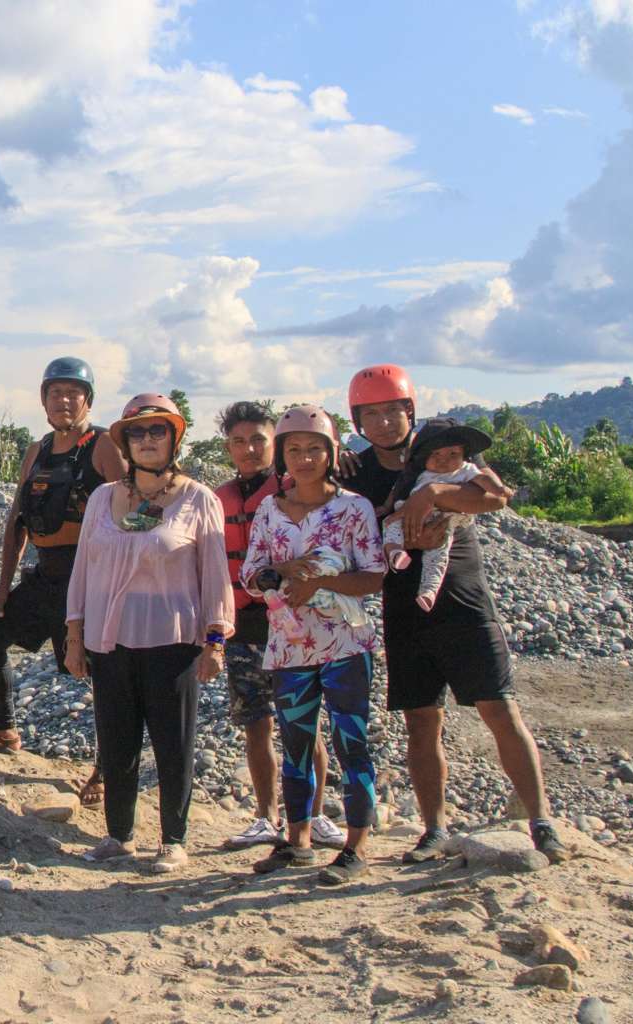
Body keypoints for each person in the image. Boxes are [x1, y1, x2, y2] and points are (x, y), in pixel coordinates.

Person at [342, 365, 569, 864]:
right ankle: (434, 829)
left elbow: (493, 498)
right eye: (371, 414)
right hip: (404, 609)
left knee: (500, 709)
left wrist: (434, 493)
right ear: (357, 420)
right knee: (422, 721)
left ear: (411, 410)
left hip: (465, 601)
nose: (384, 422)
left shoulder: (443, 444)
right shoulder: (356, 471)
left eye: (393, 410)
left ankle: (542, 822)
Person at [64, 393, 233, 873]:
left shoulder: (198, 499)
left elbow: (215, 575)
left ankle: (173, 839)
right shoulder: (103, 498)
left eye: (157, 430)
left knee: (173, 743)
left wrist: (215, 640)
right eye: (136, 433)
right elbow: (83, 570)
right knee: (116, 739)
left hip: (172, 640)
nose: (146, 440)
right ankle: (118, 835)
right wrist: (74, 635)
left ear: (174, 438)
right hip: (110, 639)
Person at [0, 357, 127, 806]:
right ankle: (4, 730)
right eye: (55, 393)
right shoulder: (38, 450)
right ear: (43, 399)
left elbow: (130, 511)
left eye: (73, 393)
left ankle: (108, 768)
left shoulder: (104, 445)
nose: (63, 400)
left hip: (90, 576)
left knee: (102, 672)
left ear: (88, 399)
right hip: (46, 573)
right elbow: (18, 520)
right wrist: (2, 588)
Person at [238, 406, 385, 884]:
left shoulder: (354, 509)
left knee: (350, 742)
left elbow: (374, 576)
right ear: (282, 455)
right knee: (296, 744)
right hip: (289, 649)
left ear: (332, 452)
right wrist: (281, 572)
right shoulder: (269, 509)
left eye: (315, 448)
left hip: (345, 646)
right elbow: (251, 576)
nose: (305, 458)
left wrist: (320, 582)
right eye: (295, 449)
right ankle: (298, 840)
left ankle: (356, 846)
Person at [213, 402, 346, 852]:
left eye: (258, 440)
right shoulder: (220, 498)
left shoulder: (298, 492)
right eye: (238, 441)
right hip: (243, 627)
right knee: (256, 725)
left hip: (294, 626)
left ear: (275, 444)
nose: (249, 449)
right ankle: (266, 817)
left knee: (304, 724)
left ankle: (314, 815)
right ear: (228, 448)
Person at [381, 420, 514, 611]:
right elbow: (399, 493)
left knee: (438, 553)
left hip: (443, 519)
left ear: (464, 456)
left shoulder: (466, 470)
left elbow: (487, 485)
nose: (443, 460)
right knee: (391, 528)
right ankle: (396, 552)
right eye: (436, 454)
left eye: (453, 454)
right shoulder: (420, 473)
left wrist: (500, 489)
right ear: (424, 456)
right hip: (410, 515)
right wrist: (389, 509)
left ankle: (429, 590)